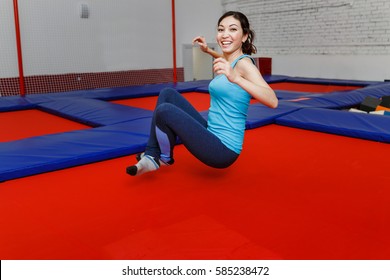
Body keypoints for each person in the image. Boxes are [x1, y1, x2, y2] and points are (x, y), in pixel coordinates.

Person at [126, 11, 278, 176]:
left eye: (232, 29)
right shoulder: (231, 60)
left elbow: (272, 101)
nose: (225, 34)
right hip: (210, 132)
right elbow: (225, 58)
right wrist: (207, 51)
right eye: (221, 30)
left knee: (165, 111)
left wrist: (236, 78)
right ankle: (154, 155)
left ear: (244, 36)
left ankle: (160, 157)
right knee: (168, 94)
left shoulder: (245, 65)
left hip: (223, 150)